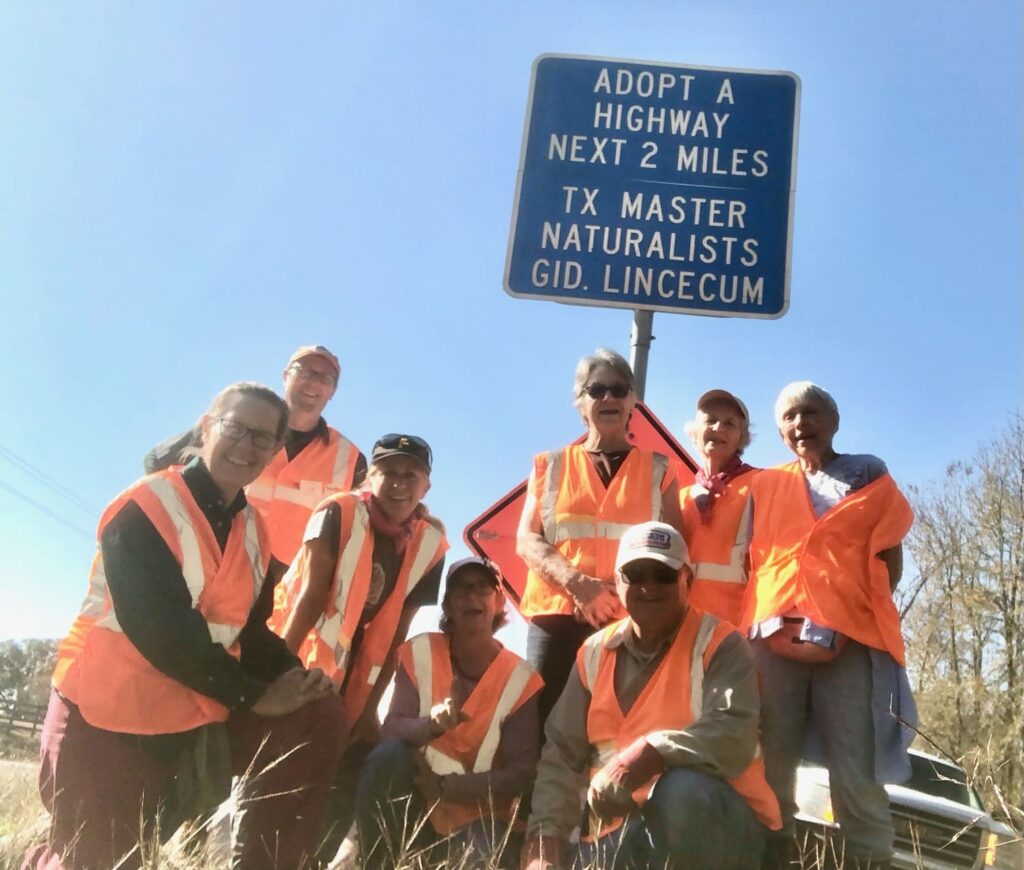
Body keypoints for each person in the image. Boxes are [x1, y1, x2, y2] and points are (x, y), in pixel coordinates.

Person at [29, 383, 347, 870]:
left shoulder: (255, 532)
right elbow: (160, 628)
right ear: (206, 427)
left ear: (275, 451)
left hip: (187, 715)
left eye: (263, 439)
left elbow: (251, 631)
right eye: (236, 428)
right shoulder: (146, 505)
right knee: (92, 860)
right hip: (103, 716)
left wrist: (296, 676)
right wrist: (254, 696)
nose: (247, 446)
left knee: (319, 713)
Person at [522, 522, 780, 870]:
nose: (649, 586)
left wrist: (652, 752)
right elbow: (561, 756)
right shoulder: (593, 652)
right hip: (622, 833)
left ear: (687, 580)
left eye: (663, 575)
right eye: (636, 574)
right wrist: (545, 839)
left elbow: (733, 732)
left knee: (682, 791)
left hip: (722, 829)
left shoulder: (721, 643)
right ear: (617, 582)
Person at [741, 382, 915, 870]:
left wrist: (850, 609)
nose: (801, 424)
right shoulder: (766, 484)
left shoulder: (866, 472)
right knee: (772, 763)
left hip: (850, 643)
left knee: (855, 769)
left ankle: (868, 858)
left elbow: (890, 556)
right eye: (790, 418)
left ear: (833, 421)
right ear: (780, 432)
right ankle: (773, 854)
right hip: (772, 638)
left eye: (811, 413)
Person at [271, 433, 448, 842]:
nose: (399, 484)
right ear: (370, 476)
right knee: (281, 772)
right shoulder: (338, 511)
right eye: (388, 472)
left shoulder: (430, 546)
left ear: (426, 487)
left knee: (335, 778)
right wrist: (277, 670)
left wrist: (371, 710)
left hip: (353, 684)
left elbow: (398, 632)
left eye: (411, 475)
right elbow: (312, 596)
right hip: (298, 658)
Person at [516, 348, 682, 728]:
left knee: (620, 731)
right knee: (542, 727)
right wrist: (578, 585)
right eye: (597, 390)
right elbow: (527, 539)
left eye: (619, 389)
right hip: (556, 620)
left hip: (631, 622)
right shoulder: (549, 465)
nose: (608, 398)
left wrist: (615, 595)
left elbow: (672, 550)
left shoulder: (661, 471)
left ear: (633, 401)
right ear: (580, 401)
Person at [356, 558, 543, 869]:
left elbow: (522, 774)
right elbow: (391, 729)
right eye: (461, 589)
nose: (472, 597)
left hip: (481, 820)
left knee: (486, 855)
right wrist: (433, 725)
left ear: (498, 602)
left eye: (483, 588)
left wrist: (446, 787)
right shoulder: (421, 650)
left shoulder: (521, 679)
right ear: (447, 605)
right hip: (416, 804)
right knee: (385, 758)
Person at [144, 344, 366, 565]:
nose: (314, 381)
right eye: (305, 371)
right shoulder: (237, 422)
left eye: (325, 377)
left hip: (284, 591)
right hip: (217, 568)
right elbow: (157, 460)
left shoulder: (351, 460)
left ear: (333, 391)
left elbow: (359, 528)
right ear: (286, 376)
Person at [679, 389, 758, 625]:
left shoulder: (761, 485)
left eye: (730, 423)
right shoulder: (678, 497)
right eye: (710, 420)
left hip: (737, 630)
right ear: (694, 431)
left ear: (742, 438)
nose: (718, 428)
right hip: (681, 628)